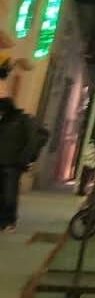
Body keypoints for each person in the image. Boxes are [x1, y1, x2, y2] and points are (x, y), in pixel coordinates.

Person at [0, 89, 46, 233]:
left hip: (13, 164)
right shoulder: (3, 121)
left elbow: (32, 141)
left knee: (9, 193)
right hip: (2, 162)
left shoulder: (23, 120)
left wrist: (25, 159)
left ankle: (9, 221)